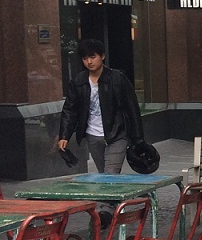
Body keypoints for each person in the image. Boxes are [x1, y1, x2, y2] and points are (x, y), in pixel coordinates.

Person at [57, 38, 144, 174]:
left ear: (102, 56)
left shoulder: (117, 78)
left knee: (111, 173)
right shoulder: (78, 82)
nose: (89, 62)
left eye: (93, 57)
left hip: (117, 134)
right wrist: (64, 136)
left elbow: (132, 108)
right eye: (85, 58)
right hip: (93, 136)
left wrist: (138, 138)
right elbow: (70, 110)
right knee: (103, 175)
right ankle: (114, 195)